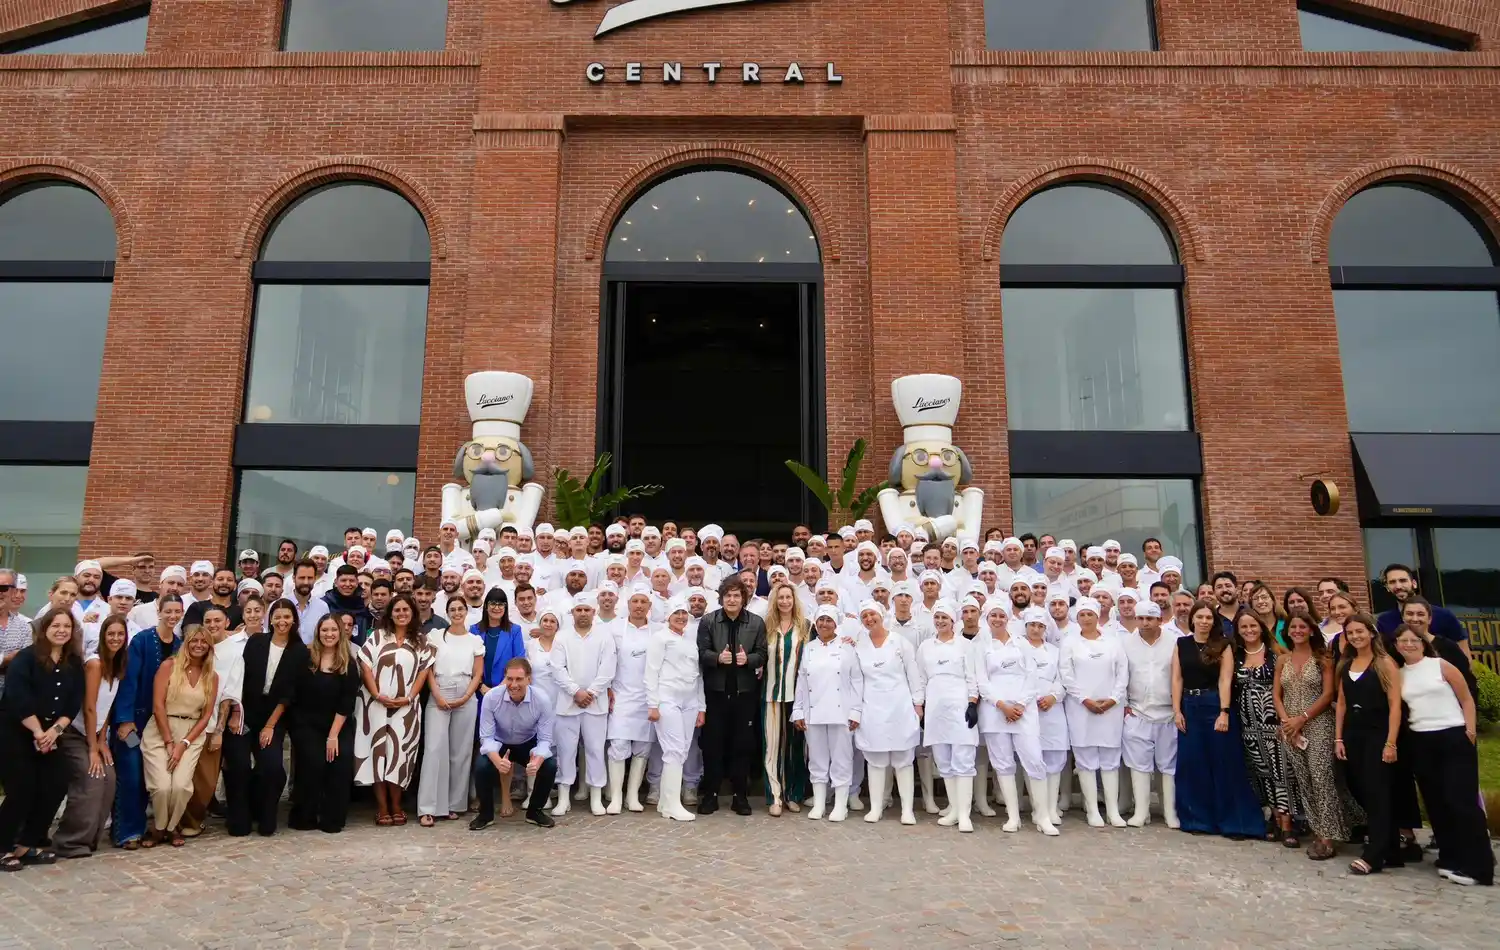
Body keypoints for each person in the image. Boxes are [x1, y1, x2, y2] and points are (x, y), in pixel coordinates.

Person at [1393, 625, 1493, 886]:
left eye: (1413, 640)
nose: (1408, 644)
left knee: (1461, 801)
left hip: (1452, 735)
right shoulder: (1400, 674)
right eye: (1402, 641)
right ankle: (1450, 858)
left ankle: (1479, 867)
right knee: (1436, 802)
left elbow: (1467, 698)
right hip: (1421, 740)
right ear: (1396, 646)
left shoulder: (1441, 665)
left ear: (1423, 642)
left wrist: (1469, 730)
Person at [0, 607, 85, 870]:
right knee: (21, 789)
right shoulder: (26, 659)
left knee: (55, 784)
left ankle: (27, 843)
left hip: (50, 733)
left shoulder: (73, 663)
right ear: (44, 629)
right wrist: (38, 733)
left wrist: (53, 733)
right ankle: (3, 846)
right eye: (55, 626)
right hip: (17, 731)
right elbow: (19, 699)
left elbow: (72, 705)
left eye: (66, 627)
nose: (61, 631)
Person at [1171, 600, 1264, 839]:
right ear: (1192, 619)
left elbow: (1225, 679)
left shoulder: (1223, 645)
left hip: (1215, 706)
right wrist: (1176, 710)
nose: (1204, 622)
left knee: (1225, 764)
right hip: (1189, 708)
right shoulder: (1181, 644)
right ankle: (1198, 819)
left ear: (1214, 621)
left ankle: (1236, 822)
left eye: (1208, 618)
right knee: (1193, 765)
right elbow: (1177, 679)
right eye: (1199, 617)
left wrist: (1224, 711)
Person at [1274, 610, 1358, 861]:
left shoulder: (1324, 657)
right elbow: (1277, 694)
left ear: (1311, 630)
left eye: (1302, 626)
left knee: (1321, 777)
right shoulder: (1283, 660)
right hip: (1291, 728)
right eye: (1293, 627)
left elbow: (1328, 694)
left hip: (1318, 724)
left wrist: (1303, 718)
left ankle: (1328, 837)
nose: (1297, 630)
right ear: (1287, 631)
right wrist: (1287, 720)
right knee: (1304, 779)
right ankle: (1318, 828)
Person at [222, 598, 305, 837]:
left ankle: (265, 815)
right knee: (238, 765)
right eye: (277, 617)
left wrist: (269, 726)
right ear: (270, 619)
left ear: (294, 620)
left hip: (274, 717)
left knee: (271, 767)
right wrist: (236, 713)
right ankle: (239, 817)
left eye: (287, 617)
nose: (282, 621)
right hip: (245, 714)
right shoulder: (257, 642)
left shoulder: (299, 651)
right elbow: (240, 679)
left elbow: (289, 694)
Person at [354, 593, 436, 826]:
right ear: (390, 613)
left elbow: (423, 671)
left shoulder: (422, 642)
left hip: (406, 708)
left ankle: (397, 805)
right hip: (374, 705)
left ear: (413, 613)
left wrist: (410, 697)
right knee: (377, 754)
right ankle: (382, 808)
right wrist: (377, 694)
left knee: (400, 756)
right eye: (397, 610)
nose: (401, 614)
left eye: (405, 610)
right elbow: (365, 666)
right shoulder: (377, 637)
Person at [976, 604, 1056, 835]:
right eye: (994, 615)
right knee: (1002, 764)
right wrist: (1002, 706)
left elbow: (1032, 677)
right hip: (995, 712)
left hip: (1024, 712)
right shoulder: (982, 647)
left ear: (1009, 618)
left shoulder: (1022, 644)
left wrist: (1019, 705)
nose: (998, 619)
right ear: (987, 618)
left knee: (1034, 760)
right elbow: (982, 682)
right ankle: (1013, 817)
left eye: (1002, 615)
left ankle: (1042, 817)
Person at [1335, 613, 1405, 875]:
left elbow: (1395, 704)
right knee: (1359, 788)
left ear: (1372, 633)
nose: (1355, 636)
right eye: (1350, 633)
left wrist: (1391, 742)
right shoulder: (1346, 663)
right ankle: (1393, 850)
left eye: (1359, 631)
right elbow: (1341, 703)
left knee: (1377, 793)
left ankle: (1374, 855)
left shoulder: (1384, 663)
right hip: (1353, 734)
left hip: (1378, 733)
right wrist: (1338, 738)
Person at [112, 593, 184, 848]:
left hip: (165, 723)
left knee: (155, 777)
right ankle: (128, 831)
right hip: (136, 721)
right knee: (131, 775)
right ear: (159, 612)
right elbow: (128, 681)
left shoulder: (180, 645)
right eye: (169, 611)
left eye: (177, 611)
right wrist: (124, 719)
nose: (173, 616)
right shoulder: (141, 641)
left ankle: (160, 827)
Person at [54, 612, 128, 857]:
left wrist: (102, 740)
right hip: (74, 733)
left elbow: (106, 709)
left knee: (109, 779)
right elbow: (89, 707)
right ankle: (69, 841)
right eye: (111, 634)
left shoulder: (117, 665)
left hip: (94, 734)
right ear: (103, 636)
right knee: (92, 777)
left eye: (120, 634)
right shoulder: (95, 663)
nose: (116, 638)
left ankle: (91, 839)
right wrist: (92, 748)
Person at [848, 596, 923, 827]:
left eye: (873, 615)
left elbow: (913, 673)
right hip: (872, 708)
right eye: (865, 617)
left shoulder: (900, 642)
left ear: (882, 616)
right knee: (876, 759)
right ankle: (875, 807)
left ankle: (908, 810)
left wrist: (918, 704)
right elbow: (856, 680)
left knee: (903, 760)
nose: (869, 619)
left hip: (900, 706)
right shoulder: (859, 646)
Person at [695, 577, 767, 816]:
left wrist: (750, 660)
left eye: (737, 595)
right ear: (721, 598)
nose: (732, 600)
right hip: (715, 693)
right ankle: (711, 795)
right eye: (728, 595)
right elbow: (701, 652)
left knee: (742, 746)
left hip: (745, 694)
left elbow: (762, 653)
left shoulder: (756, 623)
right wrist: (717, 658)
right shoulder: (708, 621)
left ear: (744, 598)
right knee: (712, 745)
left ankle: (740, 796)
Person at [141, 625, 218, 847]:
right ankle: (160, 828)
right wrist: (168, 742)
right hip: (161, 729)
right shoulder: (169, 666)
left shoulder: (211, 676)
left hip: (191, 734)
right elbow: (157, 705)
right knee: (162, 786)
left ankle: (171, 826)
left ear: (209, 647)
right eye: (194, 640)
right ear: (186, 642)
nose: (199, 645)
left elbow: (206, 716)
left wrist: (183, 744)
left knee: (182, 786)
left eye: (204, 642)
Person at [289, 614, 360, 833]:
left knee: (339, 763)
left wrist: (333, 736)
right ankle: (305, 815)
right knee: (312, 764)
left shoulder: (348, 663)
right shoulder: (306, 658)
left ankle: (332, 817)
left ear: (341, 632)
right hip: (307, 724)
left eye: (333, 630)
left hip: (337, 725)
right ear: (318, 633)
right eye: (324, 630)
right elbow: (295, 693)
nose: (329, 635)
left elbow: (346, 702)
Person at [418, 596, 486, 826]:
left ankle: (453, 804)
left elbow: (478, 673)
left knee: (461, 751)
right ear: (447, 613)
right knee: (434, 749)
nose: (457, 613)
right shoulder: (436, 636)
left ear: (466, 612)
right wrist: (436, 693)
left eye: (460, 609)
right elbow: (427, 667)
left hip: (466, 691)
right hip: (440, 688)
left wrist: (467, 696)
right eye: (452, 609)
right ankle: (428, 807)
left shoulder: (475, 640)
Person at [1060, 600, 1128, 828]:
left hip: (1111, 708)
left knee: (1110, 759)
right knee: (1086, 760)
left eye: (1090, 614)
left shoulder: (1112, 642)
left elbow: (1122, 672)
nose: (1086, 618)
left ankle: (1112, 811)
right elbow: (1066, 675)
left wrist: (1113, 699)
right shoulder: (1070, 642)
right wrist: (1085, 699)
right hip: (1081, 708)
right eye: (1082, 614)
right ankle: (1092, 810)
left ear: (1098, 615)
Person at [471, 657, 558, 830]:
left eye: (519, 679)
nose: (513, 684)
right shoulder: (491, 698)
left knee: (549, 765)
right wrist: (497, 761)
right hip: (500, 742)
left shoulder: (541, 700)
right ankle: (485, 814)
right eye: (509, 679)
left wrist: (536, 762)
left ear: (529, 679)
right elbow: (486, 738)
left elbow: (545, 739)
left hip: (527, 742)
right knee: (481, 766)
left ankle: (535, 812)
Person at [793, 604, 862, 822]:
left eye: (829, 620)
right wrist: (797, 710)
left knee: (842, 759)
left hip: (841, 712)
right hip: (813, 712)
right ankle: (820, 803)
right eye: (821, 620)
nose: (824, 624)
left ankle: (841, 804)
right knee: (817, 759)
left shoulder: (847, 648)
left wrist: (855, 711)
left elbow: (857, 681)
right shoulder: (809, 648)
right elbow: (802, 681)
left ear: (836, 624)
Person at [1231, 611, 1295, 844]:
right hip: (1247, 726)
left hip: (1273, 724)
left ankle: (1288, 824)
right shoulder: (1236, 655)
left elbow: (1285, 688)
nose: (1249, 630)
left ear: (1261, 627)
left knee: (1281, 772)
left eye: (1253, 625)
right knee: (1260, 774)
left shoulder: (1275, 654)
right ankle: (1273, 818)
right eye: (1243, 626)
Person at [919, 601, 980, 833]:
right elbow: (921, 678)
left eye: (945, 617)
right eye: (937, 617)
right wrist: (921, 706)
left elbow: (972, 675)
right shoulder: (925, 647)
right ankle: (954, 809)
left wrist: (973, 702)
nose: (941, 621)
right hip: (935, 707)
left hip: (960, 704)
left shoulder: (965, 645)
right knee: (944, 760)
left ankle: (964, 815)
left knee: (963, 758)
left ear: (954, 621)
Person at [646, 598, 705, 821]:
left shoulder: (690, 640)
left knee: (682, 749)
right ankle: (672, 804)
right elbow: (651, 673)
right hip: (667, 698)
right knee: (674, 750)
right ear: (668, 616)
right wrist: (653, 704)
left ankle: (664, 802)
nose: (681, 617)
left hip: (689, 701)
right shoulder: (660, 638)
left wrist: (701, 707)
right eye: (676, 613)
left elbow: (698, 676)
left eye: (684, 613)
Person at [1121, 601, 1178, 829]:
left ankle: (1170, 813)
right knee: (1139, 765)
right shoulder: (1126, 643)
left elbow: (1179, 676)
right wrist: (1124, 704)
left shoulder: (1174, 642)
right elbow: (1121, 674)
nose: (1145, 623)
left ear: (1160, 620)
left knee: (1169, 766)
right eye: (1141, 618)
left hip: (1168, 714)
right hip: (1137, 712)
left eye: (1150, 618)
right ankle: (1141, 812)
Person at [605, 588, 655, 815]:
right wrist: (606, 688)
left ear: (649, 606)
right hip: (621, 695)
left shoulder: (658, 630)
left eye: (643, 601)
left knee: (642, 747)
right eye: (635, 601)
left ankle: (632, 796)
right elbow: (605, 660)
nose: (639, 605)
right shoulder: (614, 628)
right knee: (618, 746)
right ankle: (615, 796)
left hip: (647, 697)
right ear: (628, 603)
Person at [762, 583, 810, 817]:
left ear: (794, 600)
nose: (784, 601)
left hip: (797, 697)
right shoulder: (766, 628)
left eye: (788, 597)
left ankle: (793, 794)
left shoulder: (804, 628)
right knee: (772, 748)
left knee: (795, 748)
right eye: (780, 597)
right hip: (771, 695)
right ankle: (775, 796)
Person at [1376, 564, 1469, 658]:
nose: (1398, 586)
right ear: (1387, 588)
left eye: (1403, 580)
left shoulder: (1444, 616)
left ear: (1414, 584)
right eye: (1392, 582)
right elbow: (1384, 657)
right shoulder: (1384, 621)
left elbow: (1464, 655)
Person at [473, 587, 525, 696]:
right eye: (493, 603)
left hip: (507, 691)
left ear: (505, 607)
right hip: (479, 691)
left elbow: (519, 663)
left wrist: (499, 689)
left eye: (501, 604)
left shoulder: (515, 631)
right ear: (486, 606)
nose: (497, 608)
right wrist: (481, 686)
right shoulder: (474, 630)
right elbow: (470, 663)